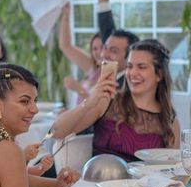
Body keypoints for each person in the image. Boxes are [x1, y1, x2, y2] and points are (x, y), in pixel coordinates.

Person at [52, 39, 180, 162]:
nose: (133, 73)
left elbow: (172, 172)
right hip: (100, 182)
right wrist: (88, 102)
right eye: (130, 66)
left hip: (145, 184)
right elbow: (56, 132)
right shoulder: (108, 101)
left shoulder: (170, 121)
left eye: (141, 67)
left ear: (159, 74)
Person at [59, 3, 103, 103]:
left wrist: (79, 89)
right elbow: (65, 46)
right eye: (95, 48)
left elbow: (98, 108)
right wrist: (66, 16)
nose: (99, 52)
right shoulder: (92, 67)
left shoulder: (112, 75)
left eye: (102, 47)